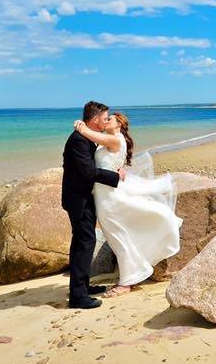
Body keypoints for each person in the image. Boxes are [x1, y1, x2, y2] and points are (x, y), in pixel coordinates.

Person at [73, 111, 182, 298]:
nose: (106, 121)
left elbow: (90, 135)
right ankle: (131, 274)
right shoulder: (111, 139)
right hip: (104, 195)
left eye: (110, 119)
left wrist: (81, 126)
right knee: (118, 236)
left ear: (119, 125)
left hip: (110, 198)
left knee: (118, 237)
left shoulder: (115, 139)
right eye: (105, 118)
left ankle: (127, 281)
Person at [61, 101, 125, 309]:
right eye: (104, 117)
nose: (106, 120)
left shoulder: (86, 137)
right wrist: (114, 176)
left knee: (83, 242)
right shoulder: (79, 140)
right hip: (77, 199)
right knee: (84, 242)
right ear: (95, 118)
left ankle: (82, 287)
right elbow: (88, 172)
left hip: (84, 196)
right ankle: (78, 297)